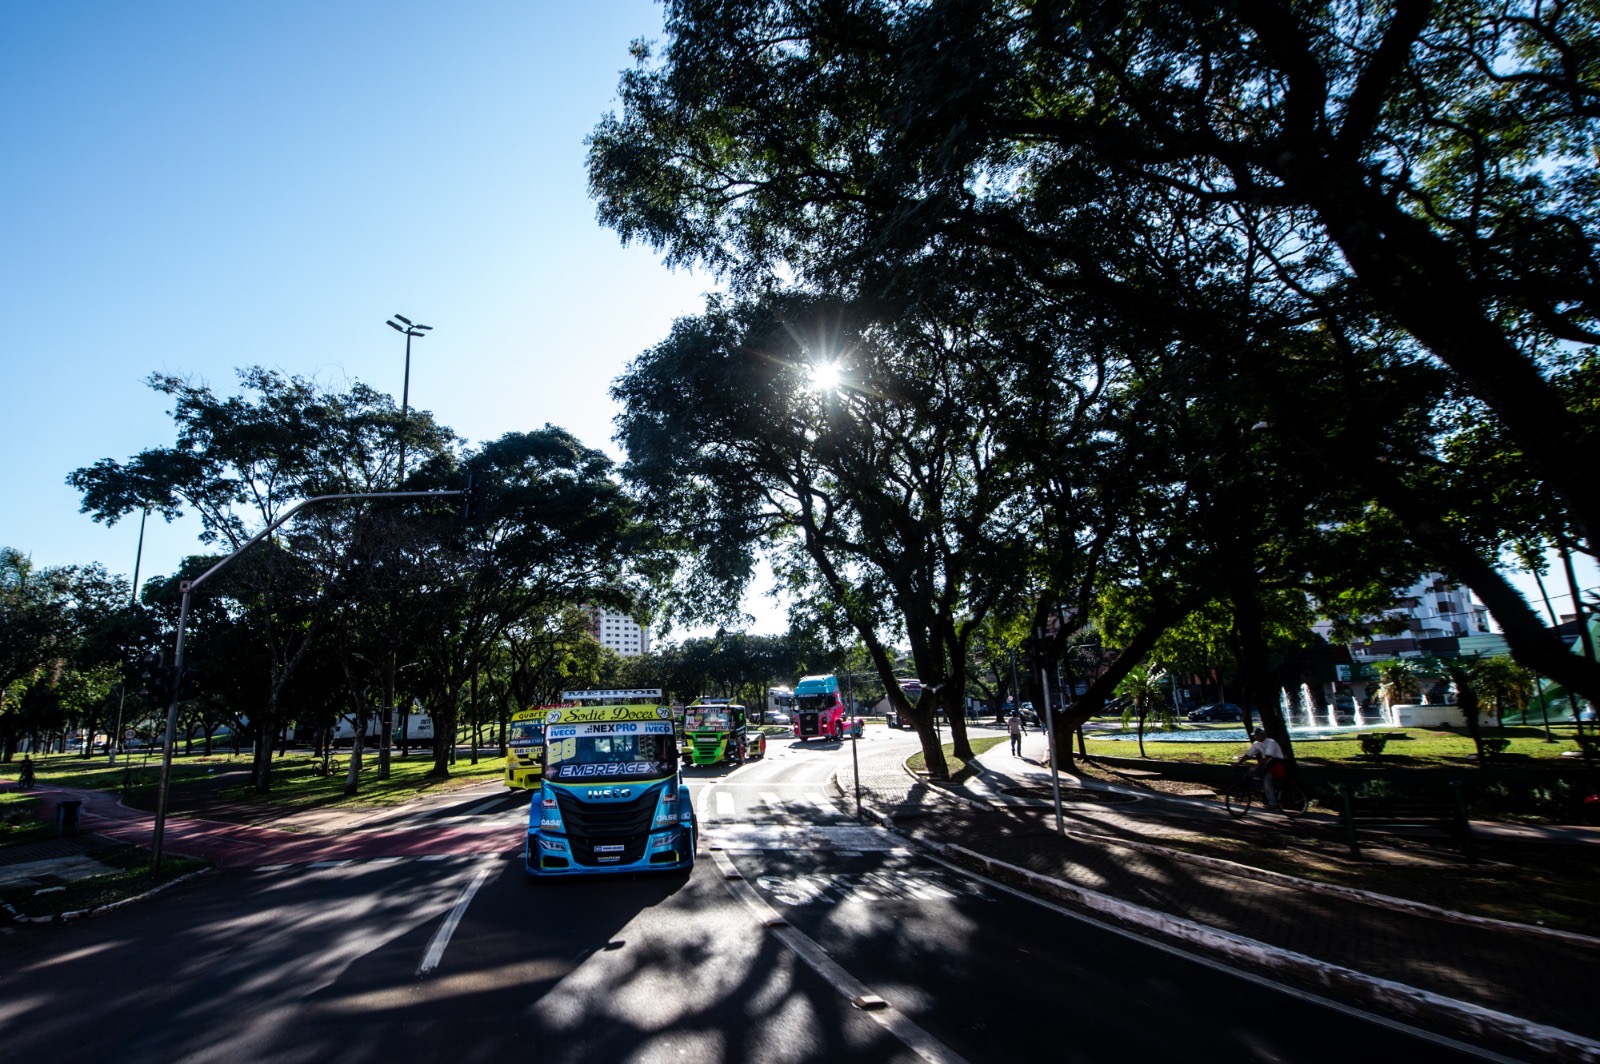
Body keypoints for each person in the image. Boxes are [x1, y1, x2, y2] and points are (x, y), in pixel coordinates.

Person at [1237, 727, 1284, 806]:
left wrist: (1257, 766)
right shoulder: (1256, 744)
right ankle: (1263, 790)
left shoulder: (1271, 742)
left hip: (1276, 764)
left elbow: (1268, 756)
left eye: (1258, 735)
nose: (1256, 737)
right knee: (1251, 774)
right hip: (1266, 765)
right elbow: (1248, 755)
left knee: (1267, 781)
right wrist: (1238, 763)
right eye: (1255, 735)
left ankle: (1272, 803)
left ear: (1263, 735)